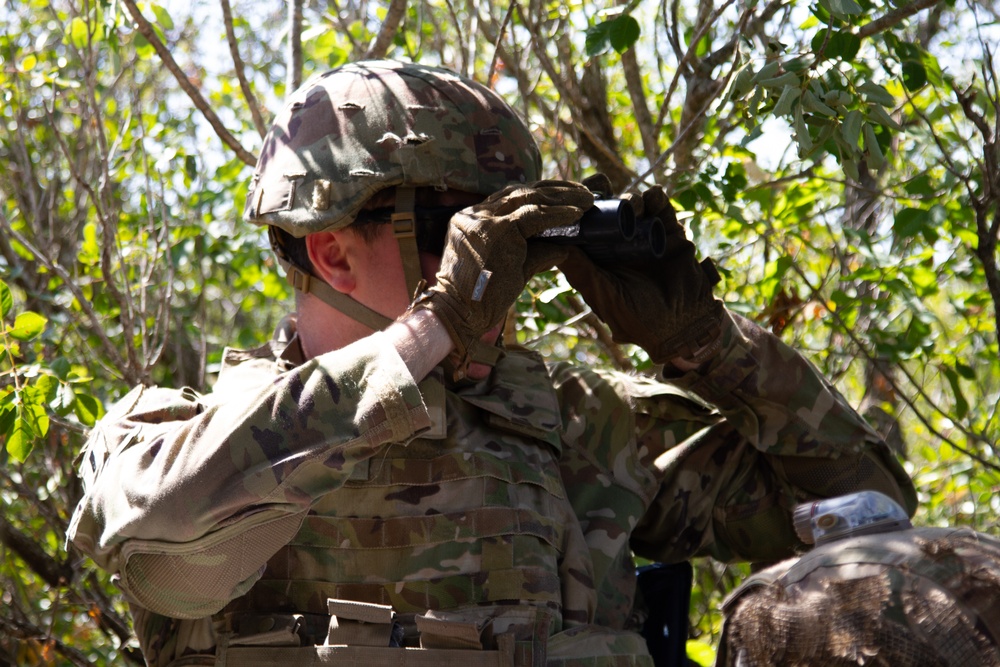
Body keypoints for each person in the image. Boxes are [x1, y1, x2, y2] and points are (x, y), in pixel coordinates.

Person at [67, 60, 916, 667]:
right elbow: (167, 540)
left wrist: (707, 343)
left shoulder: (578, 421)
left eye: (514, 240)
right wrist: (434, 329)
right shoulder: (173, 435)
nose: (501, 273)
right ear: (331, 251)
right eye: (463, 235)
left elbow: (869, 516)